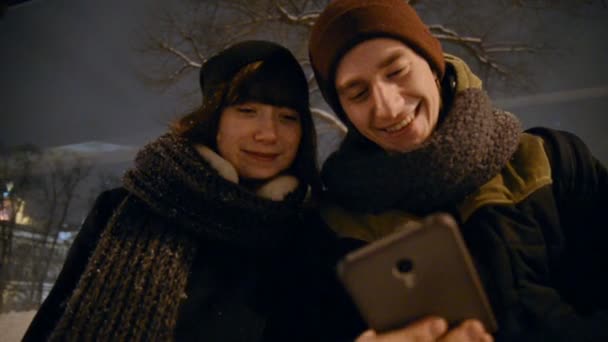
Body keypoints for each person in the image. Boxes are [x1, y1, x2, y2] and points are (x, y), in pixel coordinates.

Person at [309, 0, 608, 341]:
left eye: (396, 72)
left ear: (433, 67)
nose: (388, 107)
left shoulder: (552, 160)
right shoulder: (334, 227)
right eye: (358, 93)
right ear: (345, 111)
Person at [22, 40, 345, 341]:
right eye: (247, 111)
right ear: (213, 120)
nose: (269, 133)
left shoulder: (310, 235)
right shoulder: (123, 212)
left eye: (287, 117)